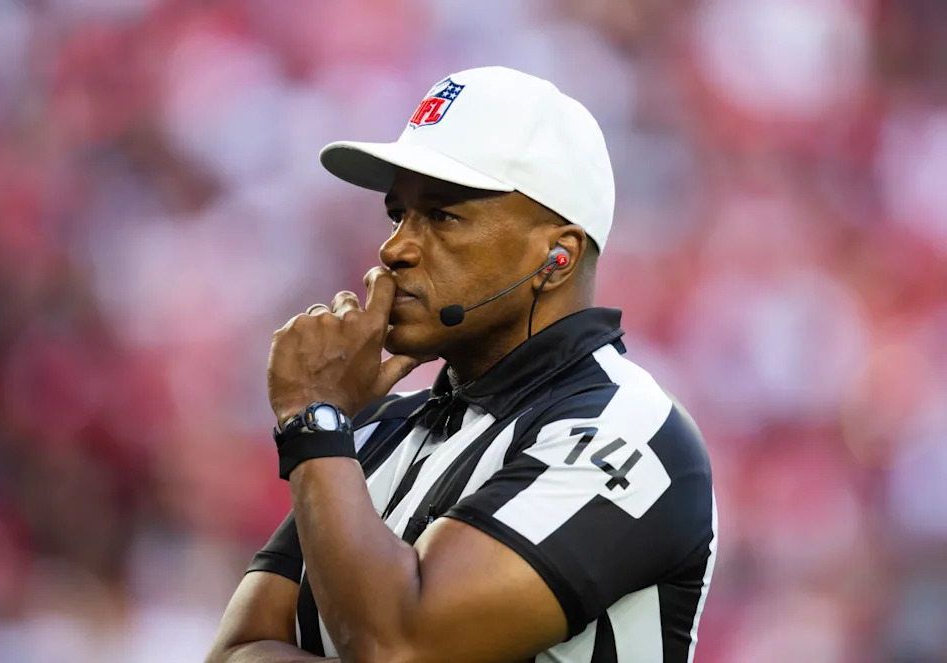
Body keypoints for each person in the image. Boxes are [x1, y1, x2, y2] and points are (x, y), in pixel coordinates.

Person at [206, 66, 717, 663]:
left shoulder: (628, 430)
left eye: (443, 216)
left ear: (557, 256)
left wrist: (315, 419)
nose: (395, 247)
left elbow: (401, 645)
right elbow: (235, 651)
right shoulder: (378, 428)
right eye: (397, 213)